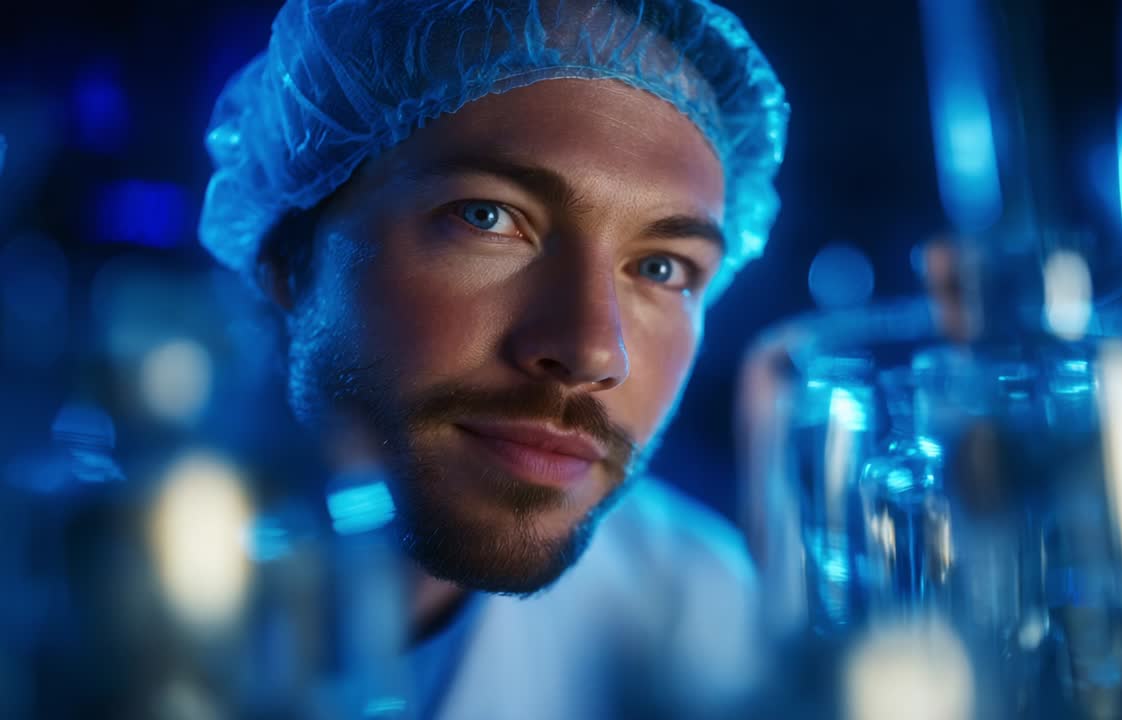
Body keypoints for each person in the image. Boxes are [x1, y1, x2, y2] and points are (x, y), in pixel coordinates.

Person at [199, 0, 788, 716]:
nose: (593, 352)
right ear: (288, 257)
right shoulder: (38, 609)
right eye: (490, 217)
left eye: (662, 268)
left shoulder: (693, 607)